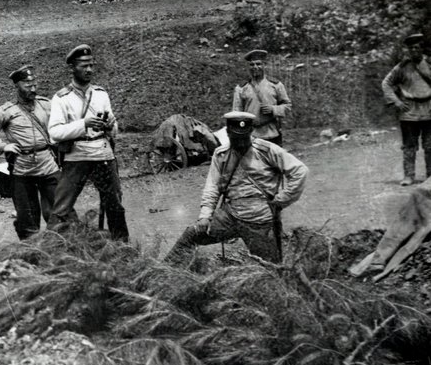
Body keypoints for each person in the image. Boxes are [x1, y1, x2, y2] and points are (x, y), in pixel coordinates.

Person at [164, 111, 308, 265]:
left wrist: (282, 199)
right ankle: (162, 272)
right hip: (229, 217)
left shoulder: (267, 150)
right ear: (228, 132)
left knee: (270, 268)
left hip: (259, 221)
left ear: (251, 131)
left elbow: (300, 171)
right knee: (192, 234)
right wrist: (205, 216)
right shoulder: (221, 155)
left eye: (243, 138)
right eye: (236, 137)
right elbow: (212, 187)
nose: (240, 142)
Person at [48, 44, 129, 241]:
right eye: (84, 65)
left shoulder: (101, 94)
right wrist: (83, 124)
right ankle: (50, 247)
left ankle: (123, 247)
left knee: (115, 204)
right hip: (77, 156)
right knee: (61, 207)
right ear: (72, 68)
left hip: (103, 154)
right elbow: (54, 132)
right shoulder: (61, 98)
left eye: (91, 65)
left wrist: (110, 125)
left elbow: (115, 129)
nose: (89, 70)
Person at [0, 65, 60, 240]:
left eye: (34, 84)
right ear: (17, 86)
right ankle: (31, 253)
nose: (32, 88)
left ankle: (59, 249)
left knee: (59, 212)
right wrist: (3, 146)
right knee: (27, 218)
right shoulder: (7, 111)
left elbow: (62, 123)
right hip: (23, 169)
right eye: (27, 85)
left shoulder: (46, 105)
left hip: (48, 164)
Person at [380, 33, 431, 186]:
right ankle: (409, 176)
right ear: (408, 50)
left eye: (417, 47)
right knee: (409, 145)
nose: (414, 50)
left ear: (422, 48)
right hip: (409, 110)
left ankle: (430, 176)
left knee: (430, 146)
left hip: (429, 109)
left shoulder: (429, 63)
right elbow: (386, 83)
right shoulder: (402, 67)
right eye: (411, 48)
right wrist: (396, 101)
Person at [231, 49, 291, 145]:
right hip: (250, 135)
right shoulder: (241, 88)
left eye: (258, 64)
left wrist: (273, 109)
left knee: (274, 159)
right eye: (252, 64)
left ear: (264, 65)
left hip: (272, 133)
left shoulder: (275, 85)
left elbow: (287, 106)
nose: (255, 67)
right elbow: (236, 113)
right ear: (248, 67)